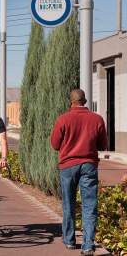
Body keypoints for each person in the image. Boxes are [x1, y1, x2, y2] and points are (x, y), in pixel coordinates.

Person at [50, 89, 108, 255]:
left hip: (68, 166)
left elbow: (55, 144)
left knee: (68, 203)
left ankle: (69, 240)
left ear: (71, 102)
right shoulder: (97, 119)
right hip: (89, 165)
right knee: (90, 204)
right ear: (85, 101)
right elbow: (103, 145)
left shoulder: (63, 119)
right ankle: (88, 245)